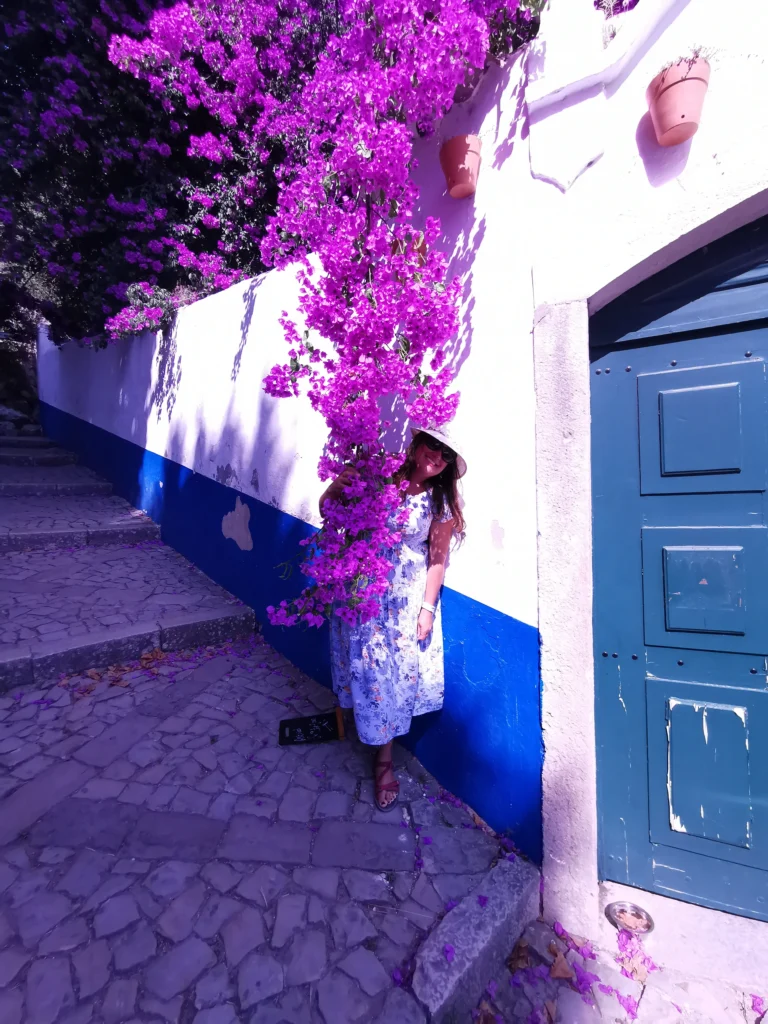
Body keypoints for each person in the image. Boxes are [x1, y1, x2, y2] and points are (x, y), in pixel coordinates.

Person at [320, 425, 466, 811]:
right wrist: (336, 488)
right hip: (361, 589)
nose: (437, 456)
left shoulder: (440, 501)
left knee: (391, 674)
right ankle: (357, 722)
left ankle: (383, 758)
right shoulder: (380, 476)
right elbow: (329, 510)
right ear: (417, 444)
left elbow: (437, 560)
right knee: (363, 664)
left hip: (401, 600)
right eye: (433, 445)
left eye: (446, 454)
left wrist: (427, 609)